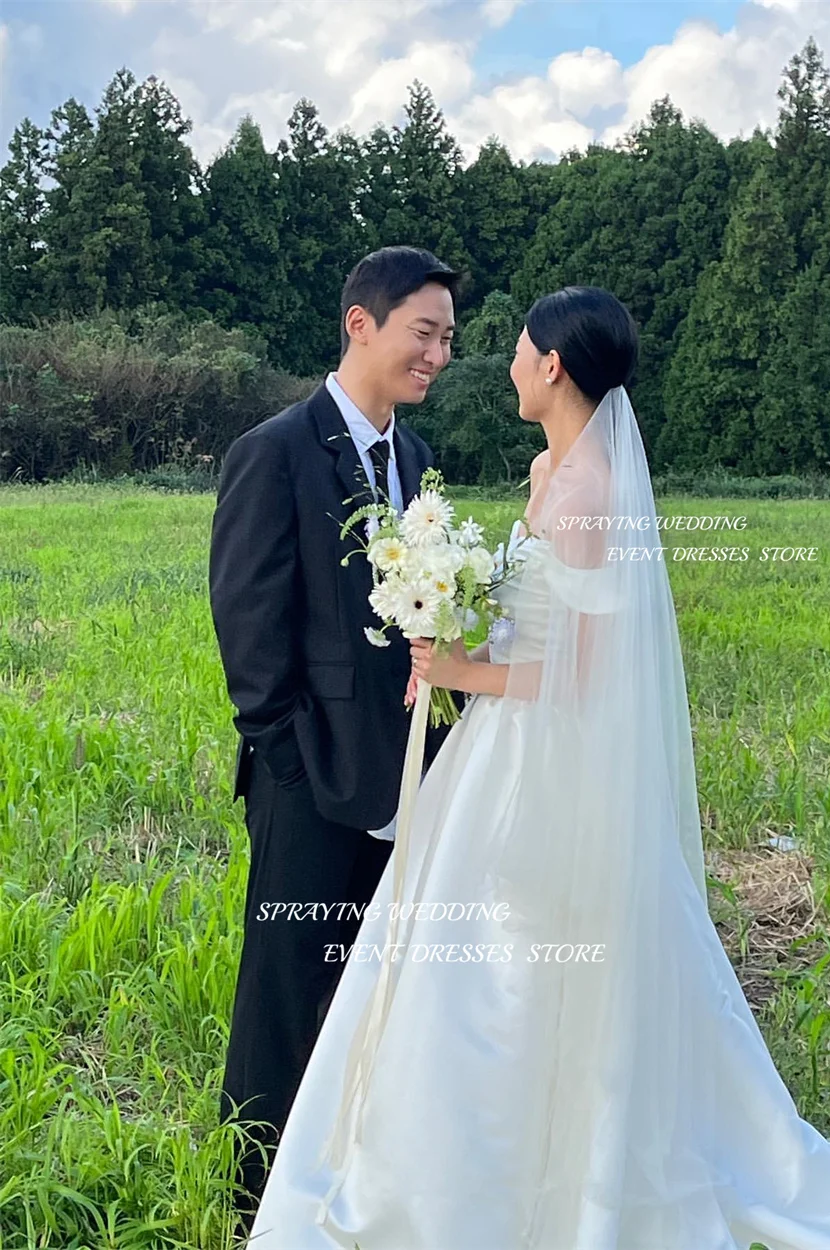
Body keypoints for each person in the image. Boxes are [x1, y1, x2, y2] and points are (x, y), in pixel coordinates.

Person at [247, 286, 830, 1248]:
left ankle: (543, 1160)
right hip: (498, 744)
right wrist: (463, 614)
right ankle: (473, 1138)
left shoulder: (593, 496)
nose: (501, 360)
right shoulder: (547, 471)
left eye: (518, 348)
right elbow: (538, 615)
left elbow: (581, 672)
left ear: (553, 365)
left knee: (519, 944)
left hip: (546, 751)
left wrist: (461, 667)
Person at [208, 245, 461, 1235]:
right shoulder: (274, 451)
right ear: (361, 322)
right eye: (423, 331)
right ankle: (250, 1194)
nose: (437, 352)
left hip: (408, 769)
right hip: (309, 779)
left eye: (447, 336)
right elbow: (250, 628)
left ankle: (351, 1167)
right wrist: (292, 760)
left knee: (377, 979)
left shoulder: (414, 459)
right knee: (285, 983)